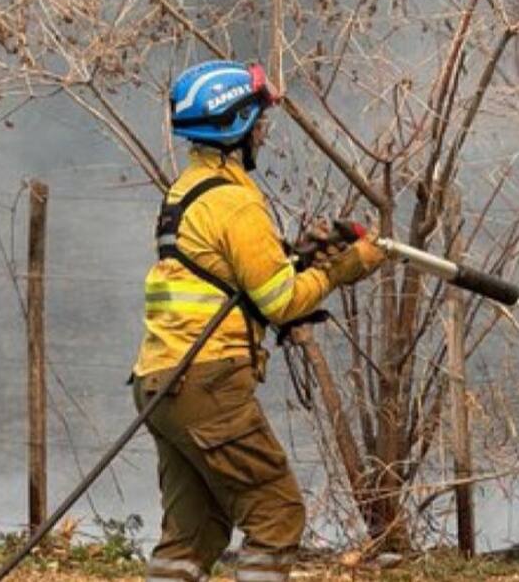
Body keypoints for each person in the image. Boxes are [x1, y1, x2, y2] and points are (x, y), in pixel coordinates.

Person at [131, 60, 385, 582]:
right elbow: (280, 303)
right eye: (259, 122)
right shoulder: (236, 204)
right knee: (276, 513)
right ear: (233, 126)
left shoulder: (189, 191)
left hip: (161, 384)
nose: (264, 133)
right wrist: (344, 269)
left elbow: (234, 279)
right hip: (207, 382)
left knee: (193, 533)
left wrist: (299, 256)